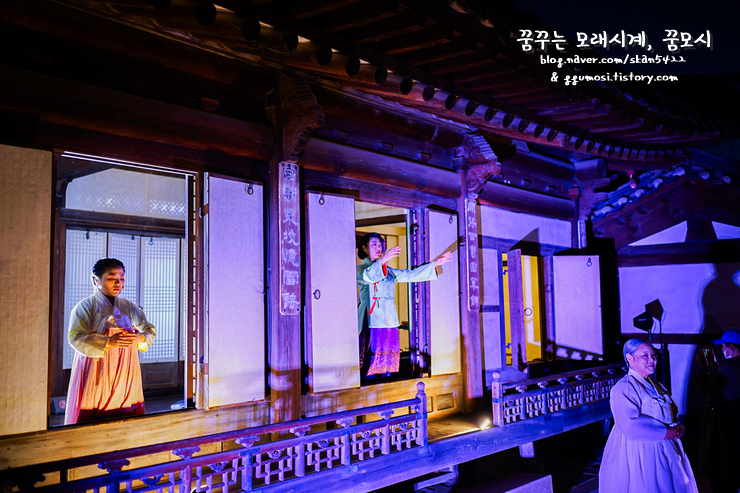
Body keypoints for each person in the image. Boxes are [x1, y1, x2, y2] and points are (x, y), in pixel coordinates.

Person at [599, 338, 698, 493]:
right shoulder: (624, 387)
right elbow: (629, 424)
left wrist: (675, 427)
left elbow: (667, 411)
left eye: (653, 355)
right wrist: (665, 431)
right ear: (630, 358)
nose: (652, 360)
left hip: (662, 443)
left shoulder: (655, 384)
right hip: (639, 449)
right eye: (645, 355)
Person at [64, 258, 156, 424]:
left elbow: (148, 329)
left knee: (125, 406)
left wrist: (139, 337)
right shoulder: (86, 306)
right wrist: (108, 342)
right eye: (112, 278)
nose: (118, 283)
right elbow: (76, 337)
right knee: (97, 403)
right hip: (98, 365)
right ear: (96, 280)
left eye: (121, 278)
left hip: (126, 364)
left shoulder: (128, 307)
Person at [357, 233, 453, 379]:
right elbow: (368, 277)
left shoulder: (388, 271)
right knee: (373, 354)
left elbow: (410, 275)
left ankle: (388, 378)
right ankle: (369, 381)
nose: (378, 247)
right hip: (372, 318)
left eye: (380, 244)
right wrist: (383, 260)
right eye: (374, 244)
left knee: (389, 353)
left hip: (389, 316)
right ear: (364, 248)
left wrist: (435, 264)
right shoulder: (361, 269)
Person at [695, 329, 740, 493]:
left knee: (723, 467)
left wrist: (702, 368)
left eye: (723, 346)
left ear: (731, 347)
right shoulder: (731, 367)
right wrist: (713, 365)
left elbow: (708, 387)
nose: (722, 349)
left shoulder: (728, 369)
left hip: (726, 421)